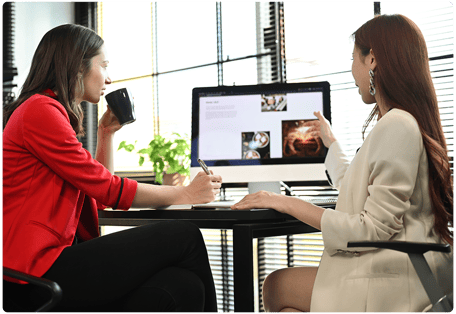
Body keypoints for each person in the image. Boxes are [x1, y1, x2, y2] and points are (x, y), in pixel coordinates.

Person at [231, 14, 454, 313]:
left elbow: (371, 229)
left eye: (353, 59)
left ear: (372, 59)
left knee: (276, 286)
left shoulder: (398, 125)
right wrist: (331, 144)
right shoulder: (403, 123)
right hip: (404, 271)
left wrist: (282, 201)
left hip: (395, 280)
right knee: (283, 293)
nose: (351, 71)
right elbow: (359, 187)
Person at [2, 24, 222, 313]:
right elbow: (109, 189)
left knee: (182, 286)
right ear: (76, 66)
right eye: (103, 65)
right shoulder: (40, 110)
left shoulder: (48, 113)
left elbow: (98, 192)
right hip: (33, 275)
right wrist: (187, 194)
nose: (109, 77)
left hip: (51, 265)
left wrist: (105, 134)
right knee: (186, 236)